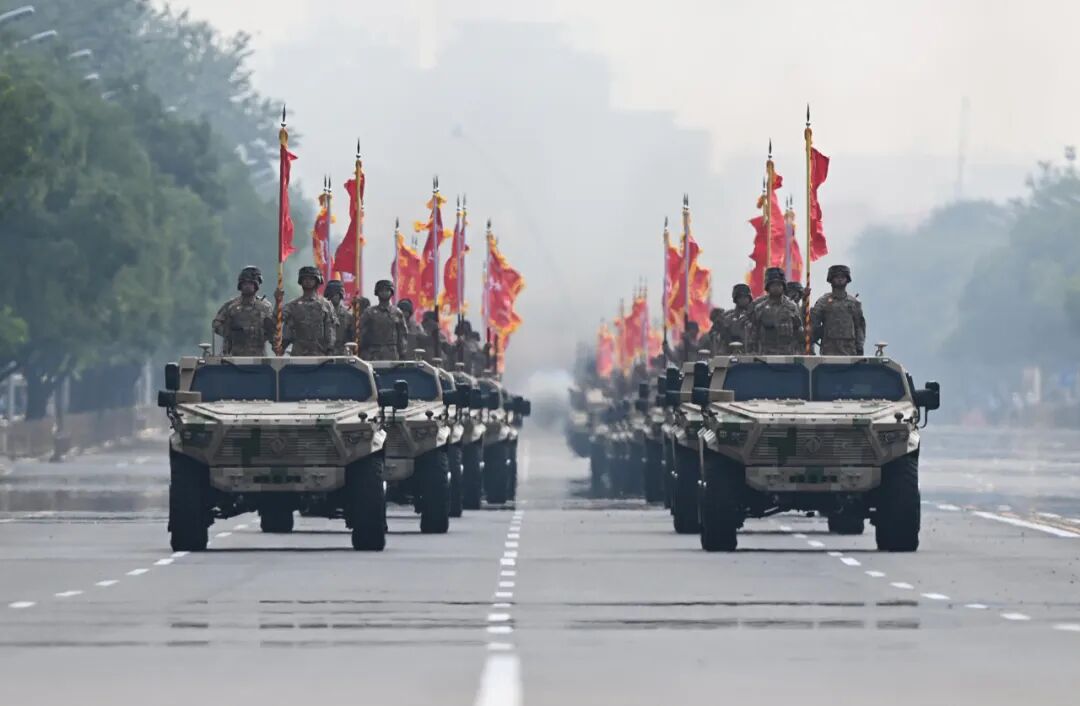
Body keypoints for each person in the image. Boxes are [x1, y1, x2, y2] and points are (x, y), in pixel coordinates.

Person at [213, 266, 275, 356]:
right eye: (245, 283)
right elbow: (216, 324)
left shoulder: (265, 307)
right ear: (240, 285)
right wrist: (231, 333)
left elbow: (273, 331)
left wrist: (266, 334)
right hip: (233, 356)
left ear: (256, 285)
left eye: (250, 283)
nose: (247, 286)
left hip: (258, 356)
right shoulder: (231, 306)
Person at [278, 266, 338, 355]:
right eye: (305, 278)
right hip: (299, 354)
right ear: (301, 281)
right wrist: (278, 302)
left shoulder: (326, 305)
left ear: (317, 281)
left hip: (320, 354)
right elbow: (280, 322)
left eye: (311, 279)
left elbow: (330, 330)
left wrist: (330, 349)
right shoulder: (292, 306)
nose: (308, 281)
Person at [811, 264, 866, 355]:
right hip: (829, 350)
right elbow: (814, 324)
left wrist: (859, 347)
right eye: (837, 277)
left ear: (847, 279)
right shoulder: (823, 302)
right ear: (831, 279)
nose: (840, 279)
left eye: (843, 277)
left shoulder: (854, 303)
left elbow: (859, 328)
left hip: (849, 351)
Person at [748, 268, 804, 354]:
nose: (776, 288)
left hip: (787, 353)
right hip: (766, 353)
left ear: (783, 286)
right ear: (768, 287)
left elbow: (798, 330)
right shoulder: (760, 308)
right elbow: (754, 332)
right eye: (773, 285)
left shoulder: (792, 306)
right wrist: (752, 350)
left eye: (779, 285)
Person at [358, 279, 408, 360]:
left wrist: (402, 353)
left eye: (387, 290)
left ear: (391, 292)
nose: (384, 293)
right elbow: (361, 333)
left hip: (391, 353)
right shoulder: (369, 313)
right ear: (377, 292)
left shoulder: (397, 312)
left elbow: (402, 335)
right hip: (373, 352)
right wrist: (363, 352)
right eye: (381, 290)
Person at [323, 280, 356, 355]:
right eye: (332, 294)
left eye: (337, 294)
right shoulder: (321, 313)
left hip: (342, 354)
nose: (335, 296)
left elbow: (353, 338)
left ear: (341, 295)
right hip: (324, 353)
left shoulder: (348, 315)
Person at [720, 284, 754, 352]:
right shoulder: (727, 318)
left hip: (754, 352)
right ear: (736, 299)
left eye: (746, 297)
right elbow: (722, 339)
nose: (743, 300)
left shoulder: (756, 315)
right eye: (740, 297)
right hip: (733, 351)